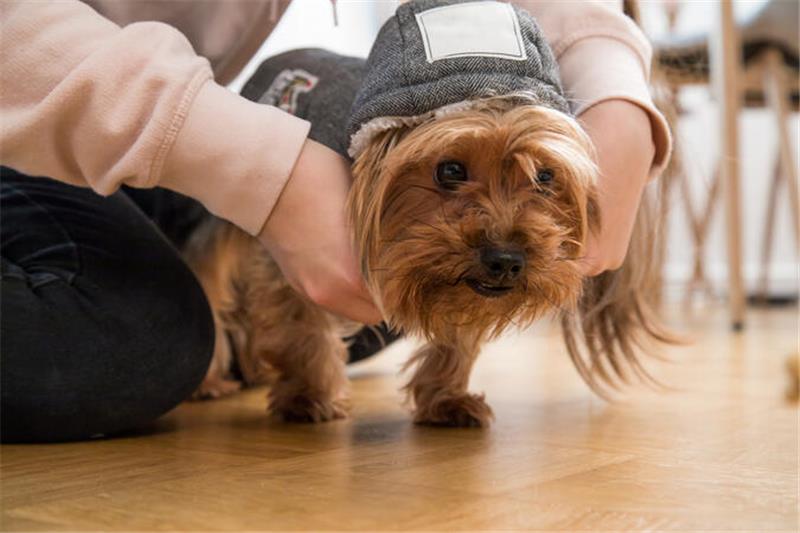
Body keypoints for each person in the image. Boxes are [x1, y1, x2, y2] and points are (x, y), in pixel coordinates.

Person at [0, 0, 671, 443]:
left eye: (541, 181)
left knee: (380, 298)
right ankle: (224, 333)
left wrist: (610, 77)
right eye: (449, 175)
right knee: (147, 343)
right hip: (24, 109)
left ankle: (238, 330)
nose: (502, 227)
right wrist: (266, 178)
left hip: (138, 119)